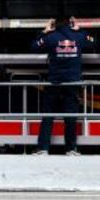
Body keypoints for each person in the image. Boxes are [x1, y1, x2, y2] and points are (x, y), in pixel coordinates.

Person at [32, 16, 96, 156]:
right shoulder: (79, 36)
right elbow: (95, 43)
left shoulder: (50, 37)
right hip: (73, 81)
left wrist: (44, 31)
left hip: (54, 81)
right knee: (71, 114)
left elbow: (34, 46)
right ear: (71, 23)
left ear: (54, 24)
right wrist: (82, 30)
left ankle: (43, 148)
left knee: (48, 115)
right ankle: (71, 148)